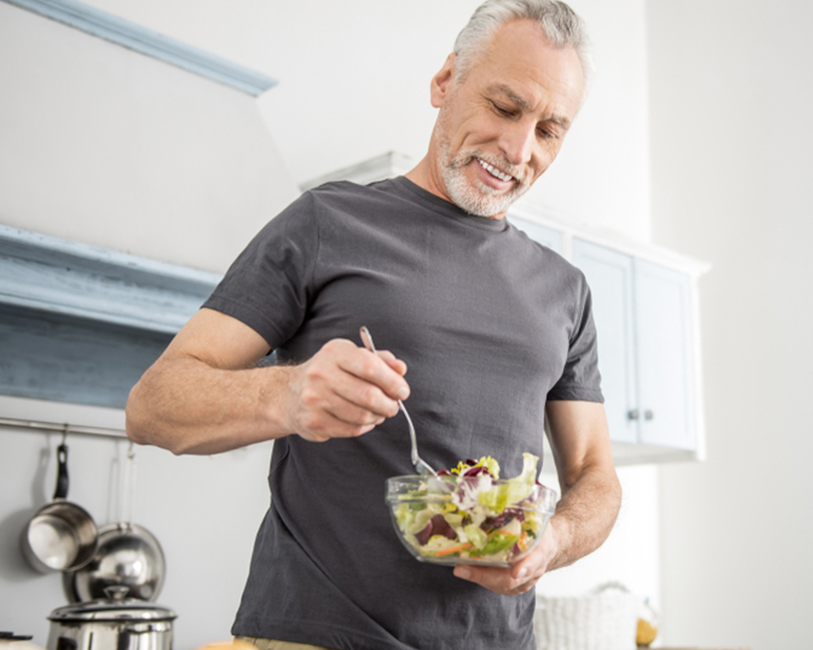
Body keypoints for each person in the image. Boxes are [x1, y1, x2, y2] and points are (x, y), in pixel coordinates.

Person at [125, 1, 621, 648]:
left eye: (549, 129)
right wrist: (289, 394)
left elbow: (596, 477)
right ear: (446, 82)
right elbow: (153, 406)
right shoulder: (326, 223)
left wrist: (552, 540)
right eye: (504, 108)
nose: (519, 148)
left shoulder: (566, 290)